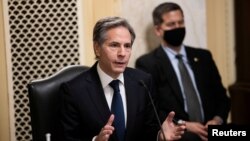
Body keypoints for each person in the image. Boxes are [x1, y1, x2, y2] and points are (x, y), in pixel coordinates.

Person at [59, 16, 186, 141]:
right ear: (97, 48)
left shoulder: (143, 82)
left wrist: (159, 136)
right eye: (114, 45)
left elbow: (148, 131)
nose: (122, 53)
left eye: (127, 46)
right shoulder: (73, 91)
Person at [135, 2, 230, 141]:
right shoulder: (148, 64)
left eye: (181, 22)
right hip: (181, 133)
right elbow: (152, 109)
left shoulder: (203, 57)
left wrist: (217, 120)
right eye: (171, 24)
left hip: (214, 130)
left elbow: (222, 98)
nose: (178, 28)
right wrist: (184, 125)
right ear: (158, 30)